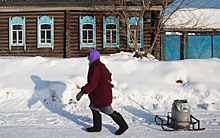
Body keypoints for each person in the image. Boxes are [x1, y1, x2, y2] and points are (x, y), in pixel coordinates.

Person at [76, 49, 128, 135]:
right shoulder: (99, 65)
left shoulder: (96, 67)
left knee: (108, 110)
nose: (87, 58)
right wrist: (106, 81)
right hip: (97, 93)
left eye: (88, 56)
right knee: (93, 107)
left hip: (102, 95)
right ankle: (97, 127)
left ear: (92, 56)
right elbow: (108, 75)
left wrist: (82, 92)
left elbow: (92, 83)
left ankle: (123, 125)